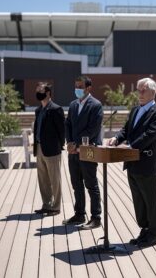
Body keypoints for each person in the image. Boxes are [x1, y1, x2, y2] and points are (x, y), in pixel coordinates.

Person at [108, 77, 156, 248]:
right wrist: (116, 139)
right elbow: (126, 130)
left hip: (146, 163)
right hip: (131, 163)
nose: (139, 93)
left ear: (153, 92)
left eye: (143, 90)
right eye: (138, 90)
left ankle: (153, 234)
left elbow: (150, 135)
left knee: (150, 200)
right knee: (138, 201)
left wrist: (131, 146)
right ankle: (144, 230)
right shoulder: (134, 110)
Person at [64, 76, 103, 230]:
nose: (77, 89)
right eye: (76, 86)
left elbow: (93, 129)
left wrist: (77, 143)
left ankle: (96, 217)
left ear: (89, 88)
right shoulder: (73, 105)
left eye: (80, 86)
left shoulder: (96, 105)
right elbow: (67, 124)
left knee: (91, 184)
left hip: (88, 150)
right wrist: (69, 142)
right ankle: (79, 213)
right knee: (76, 184)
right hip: (73, 152)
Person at [33, 82, 65, 216]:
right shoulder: (38, 110)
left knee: (54, 179)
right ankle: (47, 205)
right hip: (39, 148)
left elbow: (61, 131)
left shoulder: (56, 109)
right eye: (36, 90)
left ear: (48, 93)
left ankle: (56, 207)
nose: (37, 93)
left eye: (40, 90)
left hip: (52, 150)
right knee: (43, 180)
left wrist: (59, 145)